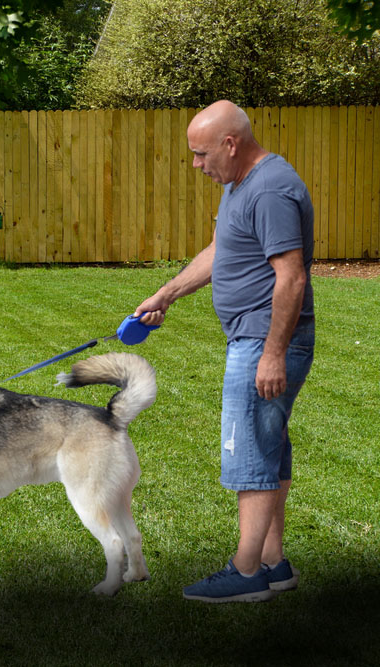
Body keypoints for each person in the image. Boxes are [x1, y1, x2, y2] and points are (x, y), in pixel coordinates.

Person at [134, 100, 314, 603]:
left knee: (249, 451)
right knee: (269, 447)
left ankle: (247, 571)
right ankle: (274, 563)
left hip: (263, 340)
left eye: (201, 154)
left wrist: (272, 354)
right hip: (253, 338)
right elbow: (221, 250)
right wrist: (166, 294)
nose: (197, 164)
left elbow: (291, 277)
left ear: (230, 144)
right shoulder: (240, 185)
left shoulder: (271, 189)